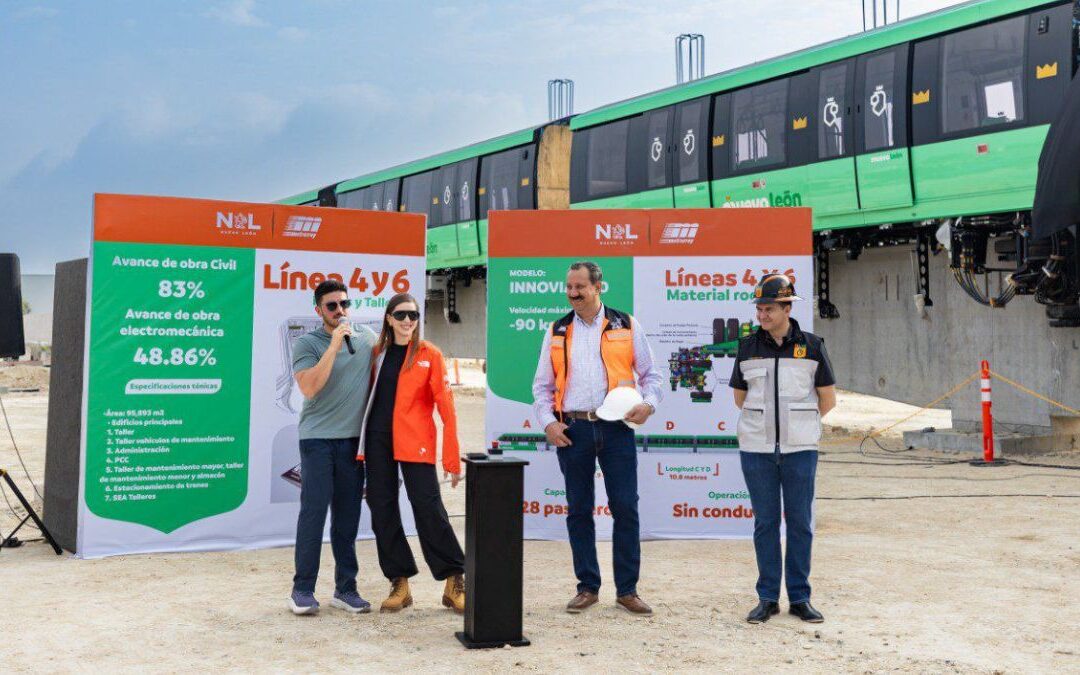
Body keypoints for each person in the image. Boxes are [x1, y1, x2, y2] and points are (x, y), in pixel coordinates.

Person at [531, 261, 664, 615]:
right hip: (573, 429)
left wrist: (648, 404)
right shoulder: (557, 330)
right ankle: (587, 587)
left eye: (580, 287)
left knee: (625, 507)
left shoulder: (626, 324)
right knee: (578, 510)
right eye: (569, 287)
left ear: (597, 287)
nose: (573, 293)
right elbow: (542, 386)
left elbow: (652, 374)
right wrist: (548, 423)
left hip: (617, 427)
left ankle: (627, 590)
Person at [729, 273, 836, 625]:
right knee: (765, 523)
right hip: (756, 448)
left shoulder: (812, 345)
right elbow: (740, 399)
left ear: (787, 307)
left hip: (800, 449)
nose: (762, 314)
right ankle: (767, 598)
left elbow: (828, 400)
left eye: (769, 308)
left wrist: (799, 425)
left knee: (801, 524)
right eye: (759, 308)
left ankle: (801, 598)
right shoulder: (747, 347)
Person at [358, 293, 466, 614]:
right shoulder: (377, 353)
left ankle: (453, 579)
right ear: (389, 318)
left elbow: (447, 408)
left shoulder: (429, 354)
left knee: (427, 506)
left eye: (414, 316)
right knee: (382, 508)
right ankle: (399, 581)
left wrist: (451, 457)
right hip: (378, 441)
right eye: (402, 315)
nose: (408, 321)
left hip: (415, 441)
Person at [289, 280, 378, 615]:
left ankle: (346, 589)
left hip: (353, 442)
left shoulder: (366, 338)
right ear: (318, 311)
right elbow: (310, 387)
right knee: (313, 514)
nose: (340, 311)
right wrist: (333, 345)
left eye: (344, 304)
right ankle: (302, 590)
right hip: (316, 439)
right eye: (332, 306)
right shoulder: (306, 344)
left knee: (348, 516)